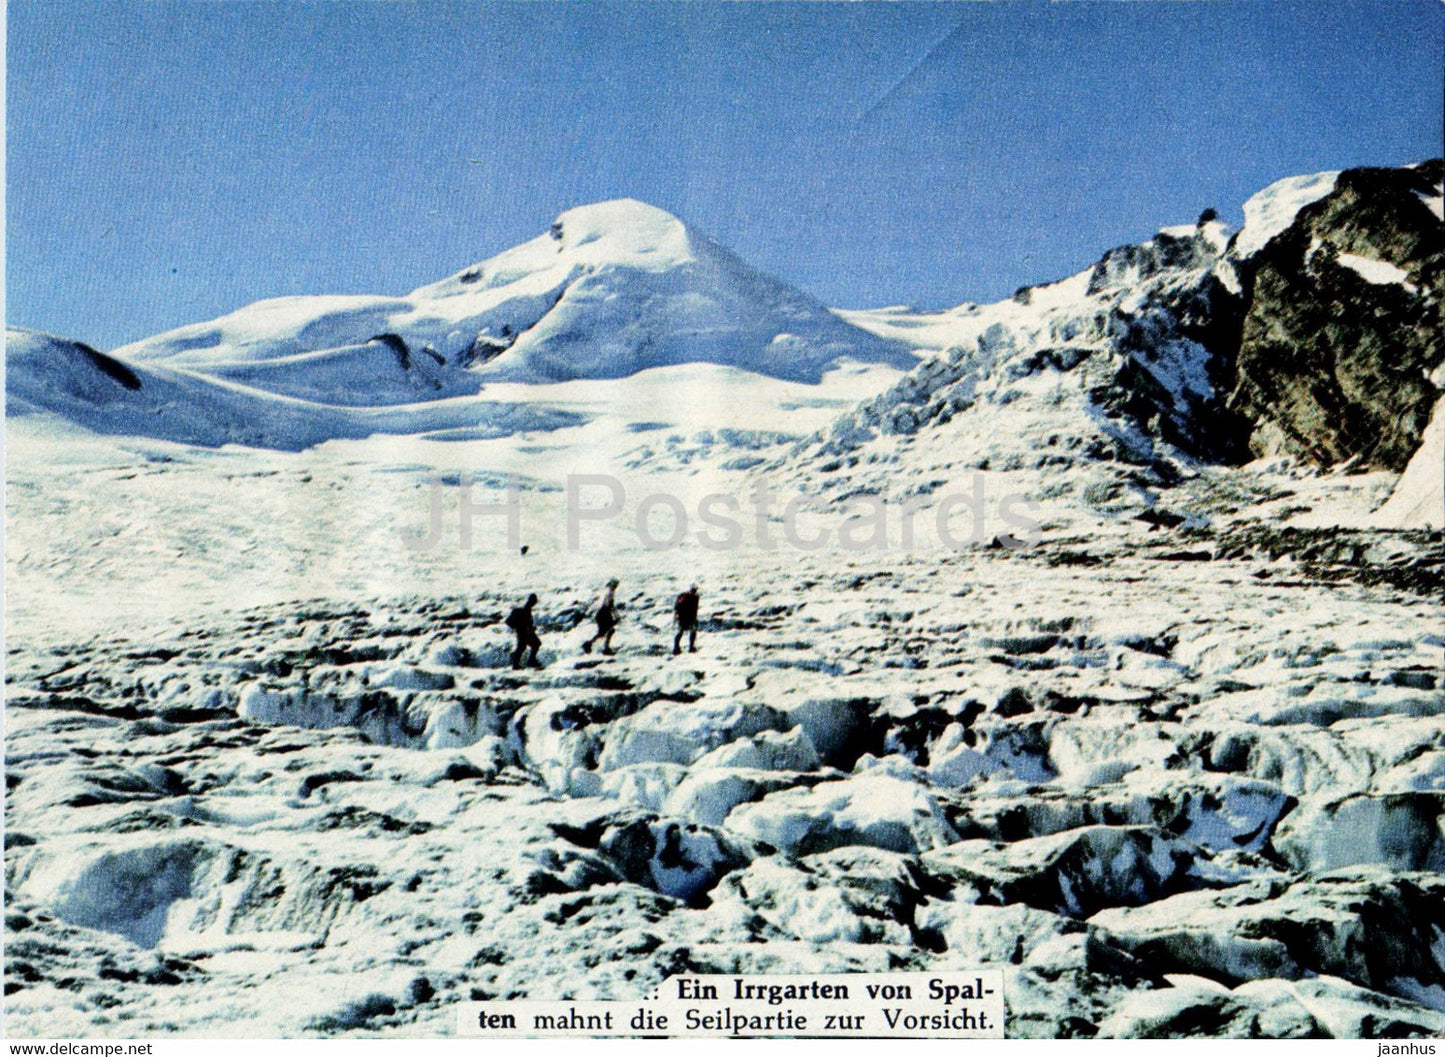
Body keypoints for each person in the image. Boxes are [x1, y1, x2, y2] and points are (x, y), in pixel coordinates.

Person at [582, 578, 620, 655]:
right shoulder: (609, 593)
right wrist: (616, 615)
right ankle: (604, 648)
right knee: (608, 631)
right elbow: (609, 605)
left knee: (605, 631)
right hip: (604, 614)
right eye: (614, 585)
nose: (615, 587)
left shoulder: (609, 592)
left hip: (604, 613)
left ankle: (591, 644)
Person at [506, 593, 542, 669]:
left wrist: (530, 628)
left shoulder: (527, 609)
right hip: (523, 632)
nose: (535, 603)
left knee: (526, 646)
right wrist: (527, 628)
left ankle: (524, 662)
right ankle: (527, 662)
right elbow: (524, 622)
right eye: (534, 601)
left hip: (523, 632)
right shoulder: (526, 609)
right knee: (529, 645)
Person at [673, 584, 700, 656]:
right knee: (681, 632)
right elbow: (677, 607)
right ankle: (676, 648)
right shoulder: (684, 596)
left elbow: (695, 609)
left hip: (691, 618)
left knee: (692, 632)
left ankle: (691, 647)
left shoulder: (695, 597)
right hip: (683, 618)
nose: (693, 591)